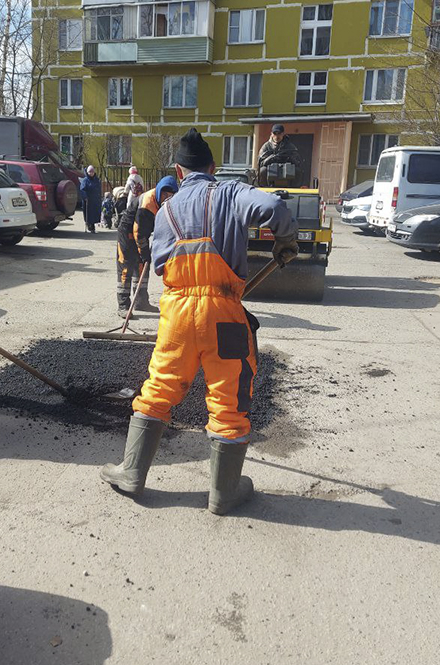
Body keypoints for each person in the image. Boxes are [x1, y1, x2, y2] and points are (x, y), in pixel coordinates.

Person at [100, 128, 299, 515]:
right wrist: (284, 240)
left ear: (178, 170)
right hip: (222, 313)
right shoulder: (229, 191)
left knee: (159, 387)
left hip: (175, 313)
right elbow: (274, 209)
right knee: (227, 399)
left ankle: (131, 473)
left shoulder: (167, 209)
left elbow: (159, 265)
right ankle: (223, 493)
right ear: (212, 167)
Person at [115, 175, 178, 315]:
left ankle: (141, 302)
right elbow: (138, 232)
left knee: (142, 266)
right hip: (128, 232)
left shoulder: (164, 204)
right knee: (126, 266)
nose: (167, 198)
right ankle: (123, 305)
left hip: (141, 233)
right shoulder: (148, 203)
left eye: (171, 195)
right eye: (165, 194)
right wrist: (144, 253)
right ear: (160, 191)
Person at [80, 165, 103, 234]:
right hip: (88, 199)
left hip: (95, 199)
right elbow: (82, 189)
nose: (91, 173)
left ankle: (92, 225)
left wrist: (99, 196)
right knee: (89, 213)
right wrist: (85, 197)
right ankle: (90, 226)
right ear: (87, 172)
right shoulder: (85, 180)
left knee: (95, 213)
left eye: (92, 171)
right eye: (90, 172)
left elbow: (99, 188)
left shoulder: (96, 179)